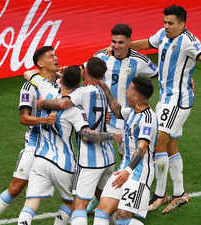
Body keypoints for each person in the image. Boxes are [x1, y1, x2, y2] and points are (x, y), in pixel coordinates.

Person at [130, 5, 201, 214]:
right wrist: (126, 47)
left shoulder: (188, 41)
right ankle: (179, 194)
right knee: (170, 144)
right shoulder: (163, 35)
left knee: (158, 140)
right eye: (165, 22)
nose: (166, 26)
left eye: (171, 23)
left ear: (182, 24)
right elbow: (147, 42)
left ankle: (160, 194)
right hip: (166, 98)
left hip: (178, 100)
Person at [16, 66, 122, 225]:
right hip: (64, 163)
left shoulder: (46, 88)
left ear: (61, 80)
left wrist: (56, 75)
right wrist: (110, 133)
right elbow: (86, 133)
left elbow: (29, 73)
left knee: (30, 204)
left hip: (41, 159)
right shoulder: (76, 109)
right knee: (73, 203)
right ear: (78, 86)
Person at [0, 46, 60, 225]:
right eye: (51, 56)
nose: (56, 59)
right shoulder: (29, 86)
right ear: (40, 63)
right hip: (34, 145)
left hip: (58, 147)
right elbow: (23, 118)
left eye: (56, 55)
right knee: (16, 187)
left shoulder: (62, 83)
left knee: (74, 189)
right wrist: (44, 121)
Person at [86, 23, 158, 214]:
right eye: (113, 42)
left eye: (120, 42)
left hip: (128, 122)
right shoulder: (102, 56)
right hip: (105, 121)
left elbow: (159, 74)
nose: (116, 46)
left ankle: (134, 197)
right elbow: (86, 72)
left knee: (128, 160)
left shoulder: (140, 60)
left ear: (129, 42)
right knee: (97, 163)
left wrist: (186, 80)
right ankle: (98, 198)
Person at [92, 76, 158, 225]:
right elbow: (116, 110)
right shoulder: (132, 112)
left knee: (121, 219)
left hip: (138, 175)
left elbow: (141, 148)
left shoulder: (148, 119)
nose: (126, 92)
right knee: (101, 213)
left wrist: (128, 171)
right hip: (123, 170)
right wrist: (104, 87)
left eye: (129, 89)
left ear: (136, 94)